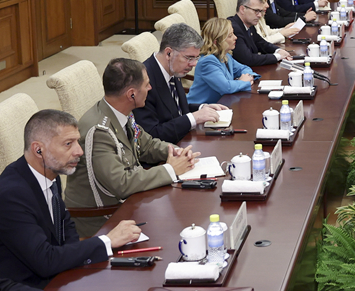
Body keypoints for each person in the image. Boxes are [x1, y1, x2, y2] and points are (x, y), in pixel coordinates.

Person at [0, 110, 143, 288]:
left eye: (77, 142)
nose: (79, 151)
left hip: (59, 276)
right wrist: (106, 241)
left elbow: (67, 230)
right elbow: (45, 261)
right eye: (68, 144)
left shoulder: (51, 174)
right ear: (38, 150)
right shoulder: (11, 195)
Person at [64, 58, 200, 237]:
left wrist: (175, 151)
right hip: (102, 219)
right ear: (132, 95)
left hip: (128, 203)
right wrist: (170, 170)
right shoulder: (99, 132)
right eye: (146, 84)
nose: (150, 88)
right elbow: (122, 183)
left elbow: (146, 144)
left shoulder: (121, 112)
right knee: (176, 229)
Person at [133, 23, 228, 144]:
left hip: (183, 141)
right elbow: (152, 134)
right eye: (189, 58)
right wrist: (194, 118)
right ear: (169, 53)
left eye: (196, 58)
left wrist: (202, 108)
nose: (194, 64)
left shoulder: (173, 68)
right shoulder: (143, 82)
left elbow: (175, 109)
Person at [187, 17, 257, 105]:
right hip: (199, 108)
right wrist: (243, 82)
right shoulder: (208, 62)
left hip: (219, 105)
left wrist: (248, 77)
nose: (235, 37)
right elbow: (226, 88)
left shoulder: (225, 56)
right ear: (216, 42)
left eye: (233, 33)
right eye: (230, 36)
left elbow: (244, 68)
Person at [228, 0, 292, 67]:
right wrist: (277, 56)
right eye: (256, 11)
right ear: (242, 9)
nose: (260, 15)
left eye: (261, 11)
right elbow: (248, 59)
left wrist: (278, 50)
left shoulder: (249, 24)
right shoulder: (233, 28)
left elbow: (261, 43)